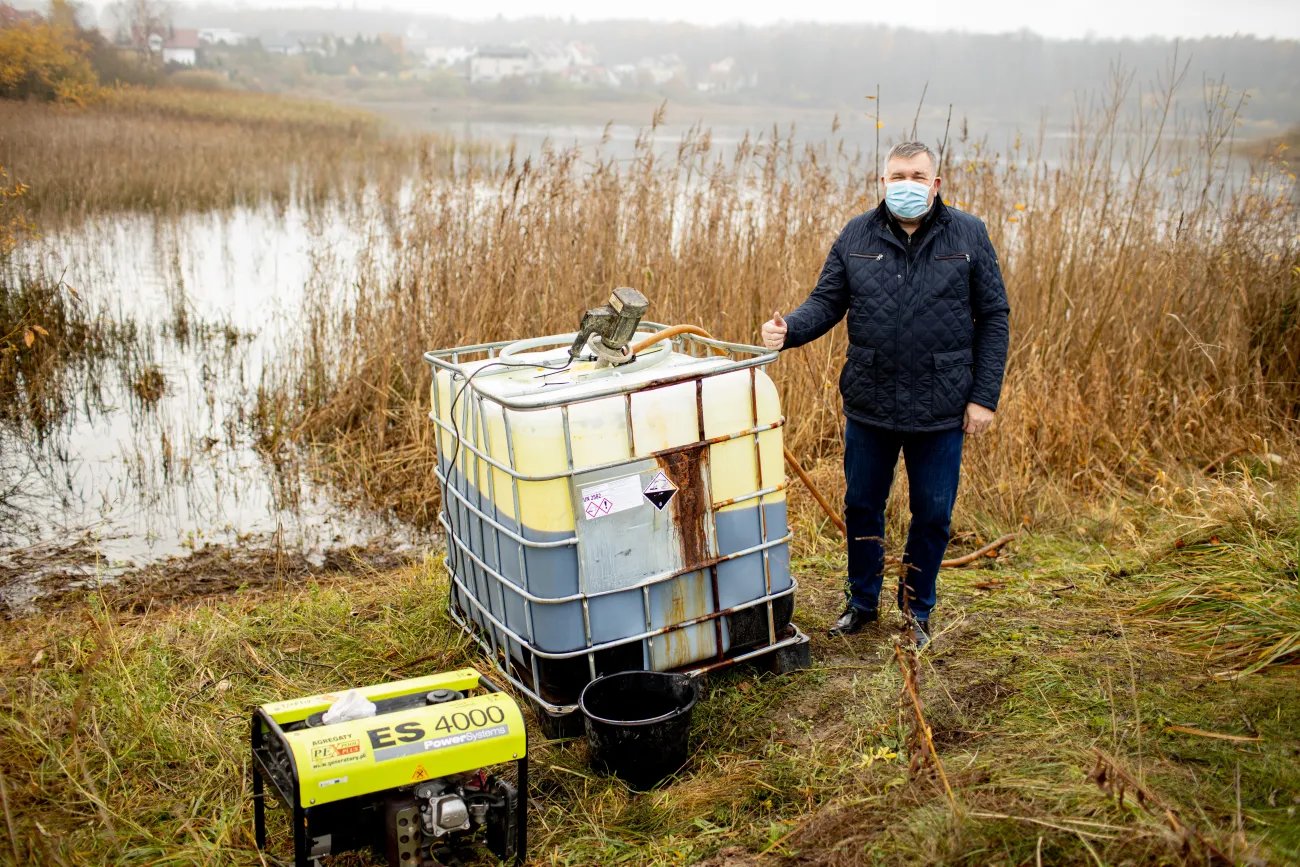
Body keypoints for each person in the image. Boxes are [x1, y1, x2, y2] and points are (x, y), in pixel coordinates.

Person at [761, 141, 1010, 649]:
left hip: (942, 406)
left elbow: (995, 316)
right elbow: (826, 302)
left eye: (918, 176)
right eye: (898, 176)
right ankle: (862, 601)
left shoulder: (969, 234)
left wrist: (984, 397)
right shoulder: (858, 234)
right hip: (870, 401)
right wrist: (789, 329)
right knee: (862, 506)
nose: (907, 185)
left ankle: (917, 608)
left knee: (934, 513)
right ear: (882, 182)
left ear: (936, 184)